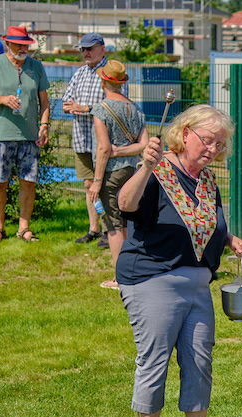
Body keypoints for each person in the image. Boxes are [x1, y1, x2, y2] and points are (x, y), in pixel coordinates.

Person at [116, 105, 242, 417]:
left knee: (199, 358)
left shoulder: (206, 180)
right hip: (153, 278)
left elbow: (204, 224)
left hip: (198, 284)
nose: (213, 150)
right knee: (154, 358)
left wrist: (228, 238)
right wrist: (145, 166)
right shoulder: (157, 170)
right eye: (208, 141)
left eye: (220, 145)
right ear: (185, 133)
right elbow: (124, 204)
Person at [0, 26, 50, 244]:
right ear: (8, 43)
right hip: (1, 134)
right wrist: (2, 99)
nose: (24, 48)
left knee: (28, 182)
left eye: (26, 44)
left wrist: (44, 125)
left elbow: (44, 102)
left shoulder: (36, 67)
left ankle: (23, 228)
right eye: (19, 44)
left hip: (30, 135)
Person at [88, 60, 148, 289]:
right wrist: (124, 150)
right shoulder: (136, 108)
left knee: (113, 227)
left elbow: (103, 149)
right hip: (132, 172)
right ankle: (134, 270)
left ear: (104, 81)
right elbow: (144, 144)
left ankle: (119, 277)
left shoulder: (101, 110)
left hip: (111, 174)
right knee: (127, 225)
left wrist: (96, 181)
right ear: (122, 83)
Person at [62, 33, 126, 245]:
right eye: (83, 49)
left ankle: (112, 232)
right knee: (89, 183)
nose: (85, 53)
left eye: (90, 48)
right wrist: (69, 106)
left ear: (102, 49)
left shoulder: (111, 72)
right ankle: (94, 229)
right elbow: (66, 100)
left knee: (106, 185)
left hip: (104, 142)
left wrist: (86, 108)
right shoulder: (79, 73)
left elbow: (116, 104)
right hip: (81, 138)